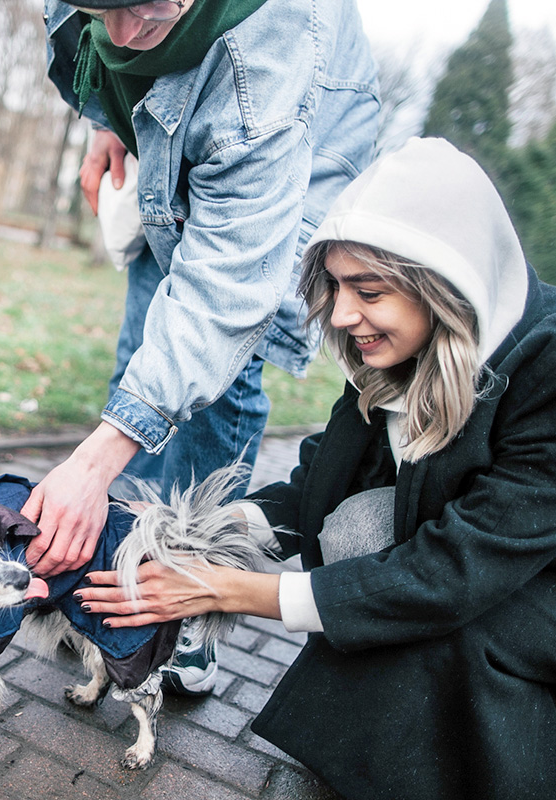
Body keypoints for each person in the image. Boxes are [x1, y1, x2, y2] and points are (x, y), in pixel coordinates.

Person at [71, 137, 556, 798]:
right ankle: (470, 722)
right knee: (369, 577)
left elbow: (455, 572)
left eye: (368, 290)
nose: (343, 315)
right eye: (337, 287)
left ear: (444, 285)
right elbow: (318, 487)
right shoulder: (401, 347)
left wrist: (233, 592)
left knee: (444, 624)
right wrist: (193, 527)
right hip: (512, 548)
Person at [23, 0, 380, 693]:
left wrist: (91, 466)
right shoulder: (119, 20)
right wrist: (107, 121)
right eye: (103, 9)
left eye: (146, 9)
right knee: (140, 362)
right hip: (174, 145)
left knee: (216, 382)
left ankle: (183, 598)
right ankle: (112, 580)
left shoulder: (268, 54)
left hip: (280, 155)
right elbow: (95, 41)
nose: (122, 35)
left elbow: (224, 296)